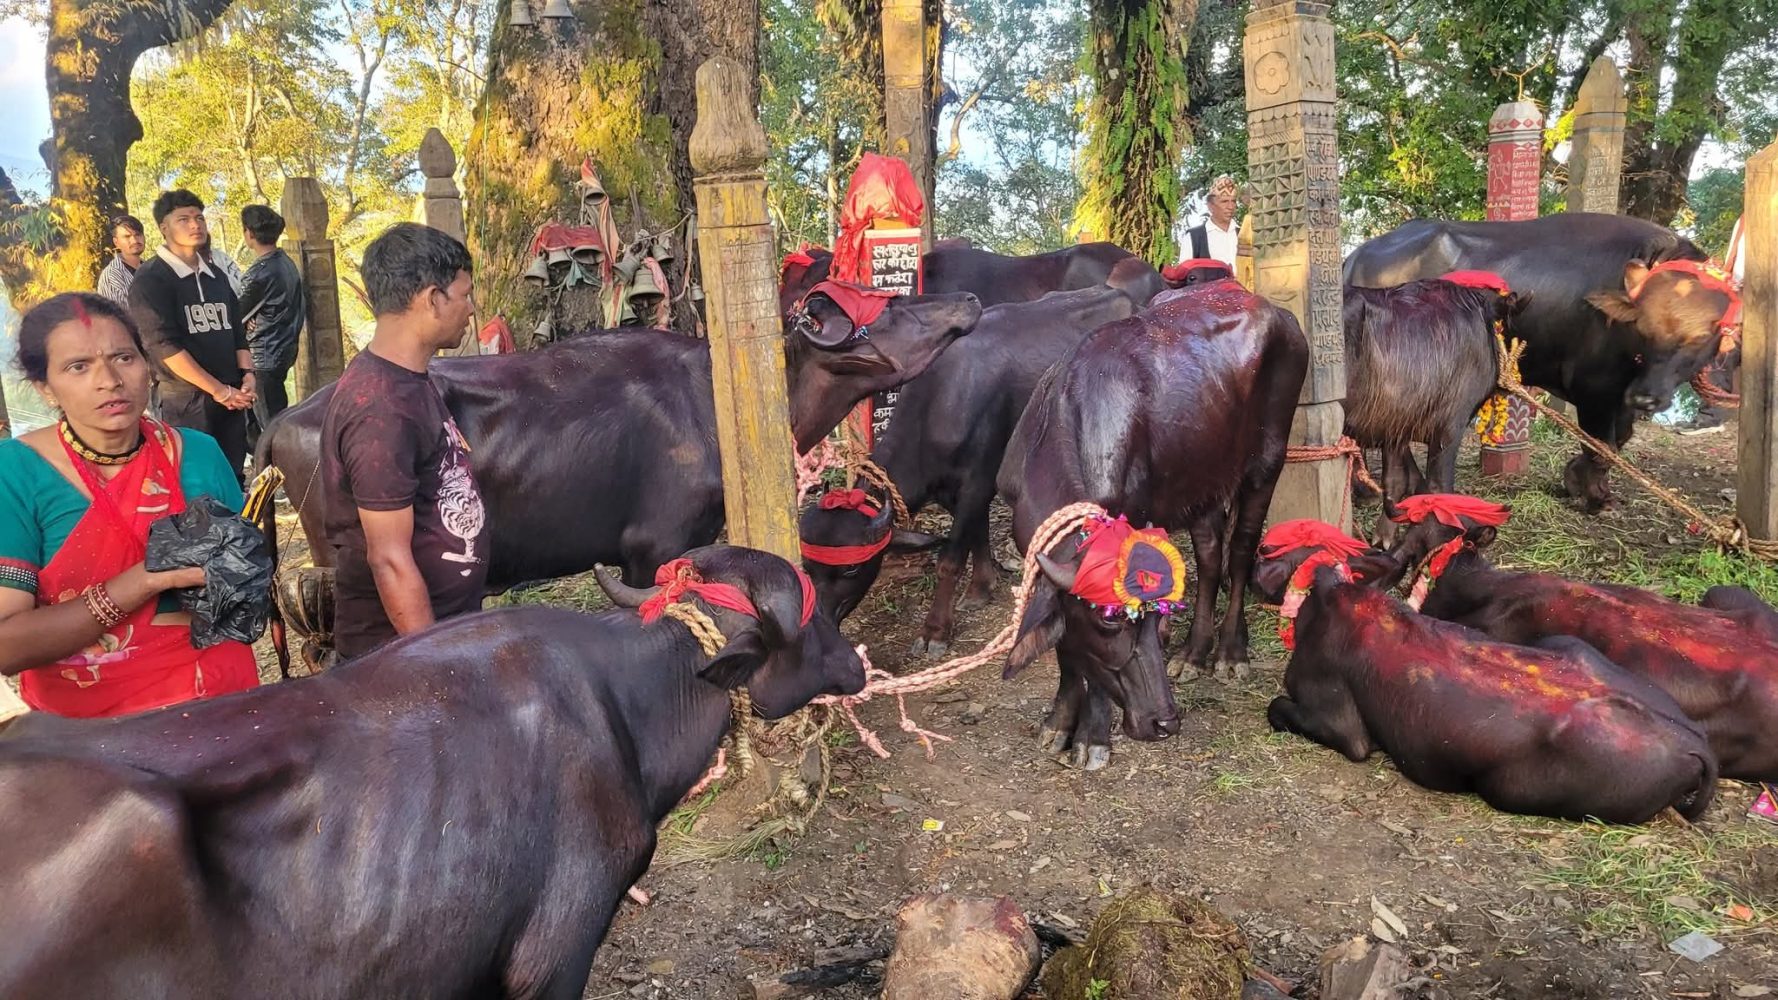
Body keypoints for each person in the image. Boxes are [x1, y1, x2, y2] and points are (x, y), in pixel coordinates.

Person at [0, 293, 260, 718]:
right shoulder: (14, 472)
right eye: (78, 366)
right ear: (44, 388)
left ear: (147, 366)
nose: (109, 380)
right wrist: (145, 580)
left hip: (219, 703)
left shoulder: (199, 453)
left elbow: (244, 584)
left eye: (123, 358)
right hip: (88, 733)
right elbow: (6, 647)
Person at [319, 223, 488, 660]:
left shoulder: (409, 380)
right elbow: (388, 559)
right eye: (465, 294)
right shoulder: (380, 408)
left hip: (439, 636)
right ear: (433, 299)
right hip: (397, 660)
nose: (471, 309)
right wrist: (432, 664)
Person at [128, 189, 255, 485]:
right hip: (185, 399)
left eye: (199, 218)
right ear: (164, 227)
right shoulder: (151, 280)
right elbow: (163, 346)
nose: (195, 225)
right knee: (194, 479)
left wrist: (248, 375)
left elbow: (237, 331)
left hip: (231, 395)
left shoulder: (216, 276)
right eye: (183, 219)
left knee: (232, 475)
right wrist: (218, 390)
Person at [238, 204, 306, 449]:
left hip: (263, 355)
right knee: (271, 419)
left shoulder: (260, 273)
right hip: (282, 350)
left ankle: (280, 469)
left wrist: (245, 323)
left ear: (249, 234)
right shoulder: (285, 263)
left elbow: (235, 314)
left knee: (270, 426)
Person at [1182, 174, 1242, 269]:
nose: (1230, 207)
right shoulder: (1194, 238)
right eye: (1224, 201)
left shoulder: (1243, 234)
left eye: (1233, 201)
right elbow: (1184, 272)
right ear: (1210, 206)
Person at [95, 215, 146, 307]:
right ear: (116, 242)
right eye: (127, 236)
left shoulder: (152, 269)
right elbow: (120, 313)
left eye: (138, 235)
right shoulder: (112, 276)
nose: (134, 240)